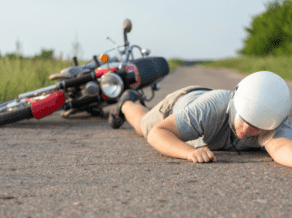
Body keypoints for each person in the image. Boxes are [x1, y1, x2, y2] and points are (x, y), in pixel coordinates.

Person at [108, 71, 292, 168]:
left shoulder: (273, 119)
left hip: (203, 102)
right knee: (142, 126)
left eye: (256, 128)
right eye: (243, 120)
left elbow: (282, 148)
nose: (246, 130)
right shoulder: (211, 108)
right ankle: (126, 102)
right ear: (236, 105)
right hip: (180, 102)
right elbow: (159, 132)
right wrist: (188, 152)